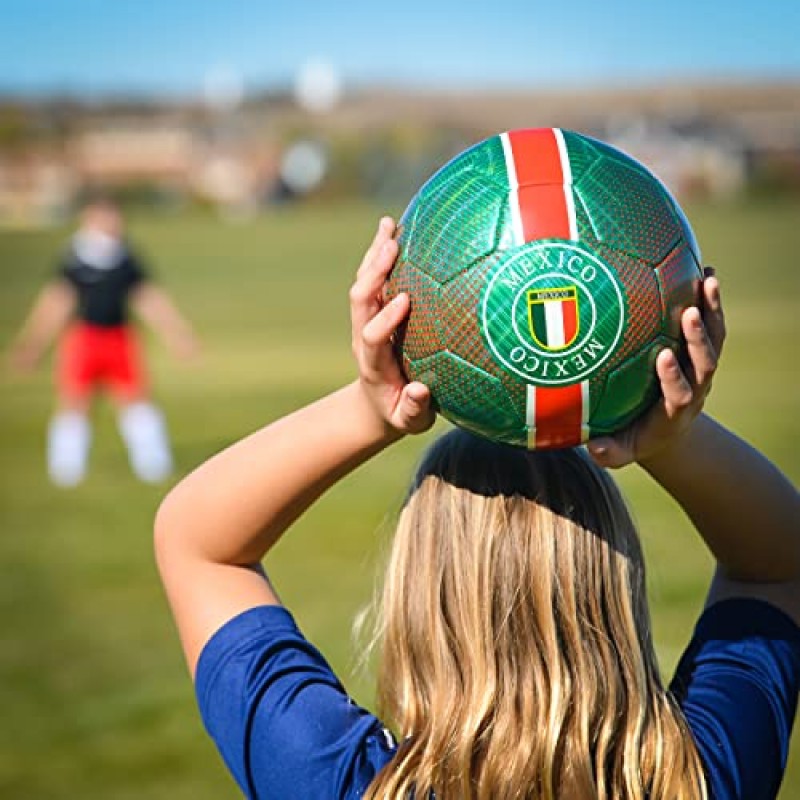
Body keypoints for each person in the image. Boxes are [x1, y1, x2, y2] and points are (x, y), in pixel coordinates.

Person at [155, 218, 799, 799]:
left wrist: (369, 408)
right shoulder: (703, 777)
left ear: (417, 590)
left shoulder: (345, 784)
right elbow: (777, 564)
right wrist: (669, 439)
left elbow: (197, 545)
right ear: (613, 578)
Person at [8, 196, 199, 486]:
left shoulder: (126, 257)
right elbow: (56, 303)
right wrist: (32, 345)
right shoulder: (75, 257)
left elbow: (147, 298)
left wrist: (177, 334)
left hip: (120, 338)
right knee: (75, 403)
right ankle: (66, 471)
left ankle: (153, 465)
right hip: (84, 339)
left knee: (135, 400)